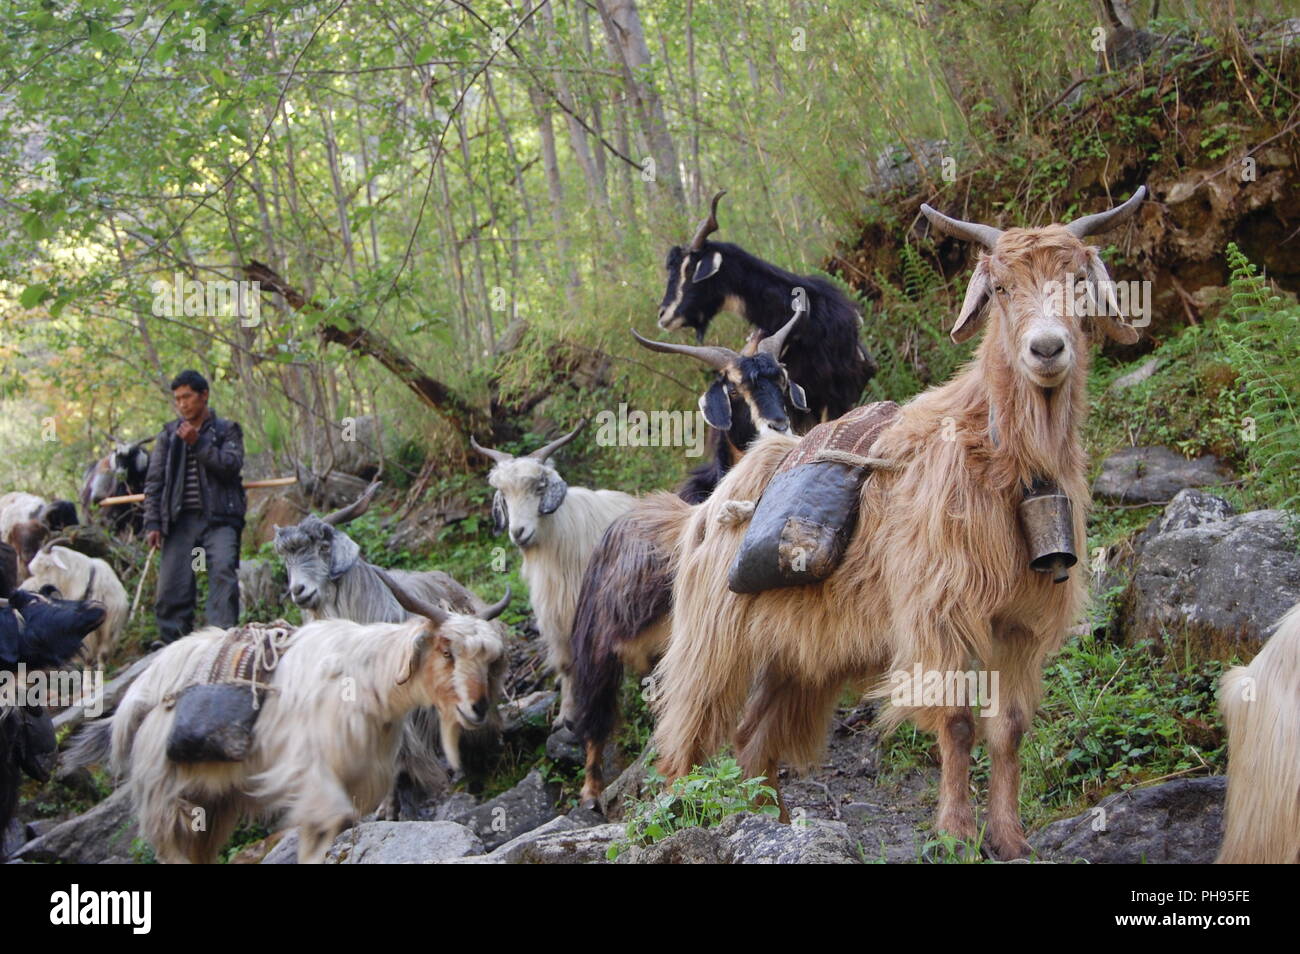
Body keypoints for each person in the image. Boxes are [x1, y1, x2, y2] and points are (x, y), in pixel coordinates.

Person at [142, 370, 245, 646]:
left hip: (220, 519)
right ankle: (172, 643)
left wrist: (198, 443)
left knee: (223, 573)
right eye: (177, 399)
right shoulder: (168, 435)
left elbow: (230, 466)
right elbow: (155, 482)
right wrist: (153, 523)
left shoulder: (227, 430)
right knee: (172, 586)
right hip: (179, 521)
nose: (182, 404)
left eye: (187, 397)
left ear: (204, 395)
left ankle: (221, 640)